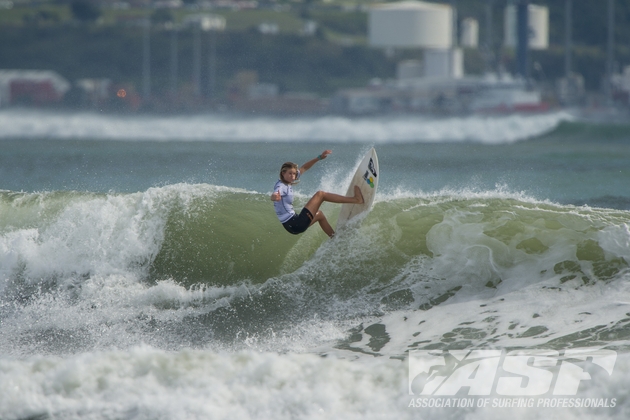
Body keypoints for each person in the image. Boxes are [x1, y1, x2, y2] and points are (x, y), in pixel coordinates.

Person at [271, 150, 363, 238]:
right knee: (320, 194)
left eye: (294, 174)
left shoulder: (288, 180)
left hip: (292, 227)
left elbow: (304, 168)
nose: (293, 176)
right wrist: (275, 197)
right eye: (290, 173)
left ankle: (334, 237)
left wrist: (319, 157)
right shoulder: (281, 186)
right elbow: (274, 194)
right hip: (295, 223)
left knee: (319, 215)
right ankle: (356, 199)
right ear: (283, 173)